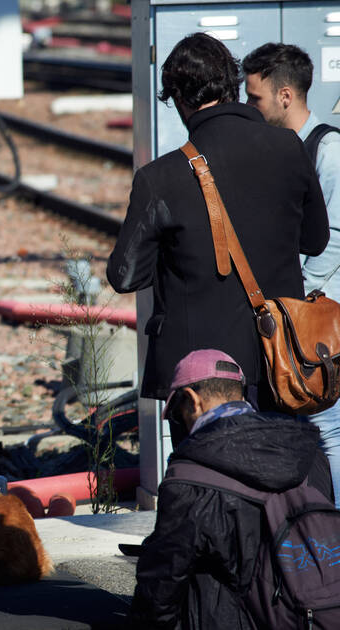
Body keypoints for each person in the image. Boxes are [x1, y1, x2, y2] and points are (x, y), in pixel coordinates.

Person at [108, 33, 328, 410]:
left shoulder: (159, 177)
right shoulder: (289, 147)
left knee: (210, 467)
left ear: (179, 99)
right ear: (233, 86)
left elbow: (125, 276)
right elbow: (314, 240)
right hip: (282, 361)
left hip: (202, 378)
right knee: (281, 465)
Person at [130, 349, 334, 629]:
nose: (181, 425)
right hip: (315, 614)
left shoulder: (190, 475)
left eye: (178, 415)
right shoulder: (308, 452)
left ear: (192, 400)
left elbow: (163, 580)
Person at [242, 42, 340, 506]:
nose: (248, 106)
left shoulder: (329, 150)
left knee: (326, 429)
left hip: (317, 324)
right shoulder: (282, 150)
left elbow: (334, 241)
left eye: (255, 97)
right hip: (295, 319)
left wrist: (296, 302)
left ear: (285, 96)